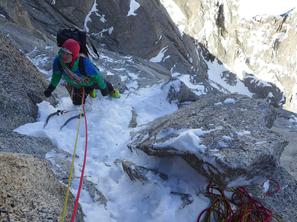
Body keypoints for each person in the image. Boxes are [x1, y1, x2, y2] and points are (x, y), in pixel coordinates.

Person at [44, 38, 120, 105]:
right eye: (63, 52)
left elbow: (98, 76)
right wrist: (50, 89)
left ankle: (112, 91)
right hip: (77, 84)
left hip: (91, 81)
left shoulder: (84, 63)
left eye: (67, 53)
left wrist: (104, 89)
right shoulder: (58, 61)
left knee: (105, 86)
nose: (64, 56)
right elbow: (56, 76)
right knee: (77, 103)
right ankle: (89, 90)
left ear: (74, 55)